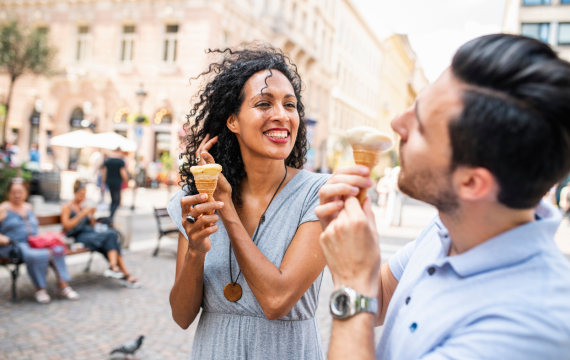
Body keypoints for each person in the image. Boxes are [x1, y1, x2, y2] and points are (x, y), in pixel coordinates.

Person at [315, 34, 570, 359]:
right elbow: (377, 297)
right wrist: (351, 249)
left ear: (472, 183)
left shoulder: (530, 325)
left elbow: (360, 293)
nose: (396, 124)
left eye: (420, 125)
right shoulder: (449, 227)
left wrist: (350, 280)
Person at [167, 45, 334, 360]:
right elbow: (182, 315)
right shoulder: (197, 198)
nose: (281, 115)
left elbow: (277, 300)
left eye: (290, 104)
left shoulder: (322, 195)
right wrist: (195, 251)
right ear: (233, 121)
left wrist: (227, 211)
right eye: (264, 103)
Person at [0, 179, 79, 303]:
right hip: (14, 245)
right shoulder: (3, 208)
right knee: (36, 255)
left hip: (33, 242)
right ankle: (40, 288)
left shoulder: (28, 207)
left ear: (25, 193)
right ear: (8, 193)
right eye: (14, 192)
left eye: (20, 192)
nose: (17, 195)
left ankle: (63, 285)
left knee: (57, 248)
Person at [61, 180, 141, 288]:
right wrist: (81, 214)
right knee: (110, 237)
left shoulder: (84, 206)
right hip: (79, 236)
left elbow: (92, 225)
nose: (83, 197)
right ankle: (123, 273)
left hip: (91, 233)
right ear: (75, 193)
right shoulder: (67, 207)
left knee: (111, 235)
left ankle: (115, 268)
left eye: (84, 195)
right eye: (81, 195)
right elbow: (66, 226)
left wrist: (91, 215)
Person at [102, 148, 129, 218]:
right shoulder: (120, 161)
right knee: (116, 200)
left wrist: (103, 183)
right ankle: (111, 216)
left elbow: (104, 172)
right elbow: (123, 173)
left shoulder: (108, 160)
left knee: (113, 200)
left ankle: (111, 215)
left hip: (110, 183)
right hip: (117, 183)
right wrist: (127, 182)